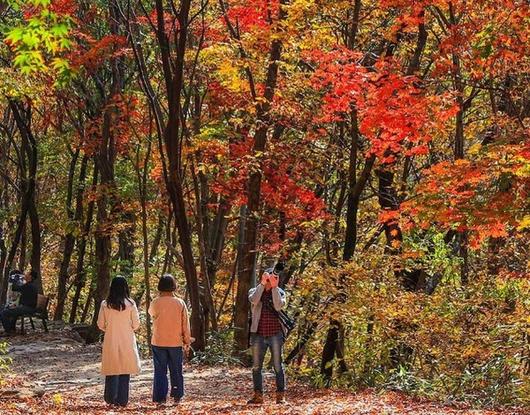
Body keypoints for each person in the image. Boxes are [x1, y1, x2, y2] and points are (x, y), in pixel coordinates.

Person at [97, 276, 141, 408]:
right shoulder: (131, 304)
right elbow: (136, 324)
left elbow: (100, 324)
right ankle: (122, 400)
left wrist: (109, 328)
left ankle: (110, 397)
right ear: (125, 288)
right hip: (127, 339)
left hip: (111, 338)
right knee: (125, 368)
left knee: (112, 367)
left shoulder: (105, 304)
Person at [247, 264, 287, 405]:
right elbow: (254, 300)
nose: (270, 281)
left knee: (277, 366)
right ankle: (258, 396)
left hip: (275, 334)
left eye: (273, 279)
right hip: (258, 334)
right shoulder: (255, 290)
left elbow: (278, 306)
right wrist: (262, 284)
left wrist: (275, 288)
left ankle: (280, 396)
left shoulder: (280, 292)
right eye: (268, 279)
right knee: (257, 366)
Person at [148, 274, 191, 404]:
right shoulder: (180, 303)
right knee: (176, 369)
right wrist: (187, 341)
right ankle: (177, 394)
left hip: (159, 341)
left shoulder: (155, 302)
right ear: (174, 286)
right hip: (175, 341)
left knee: (160, 371)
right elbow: (185, 324)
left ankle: (160, 397)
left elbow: (152, 314)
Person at [1, 269, 39, 334]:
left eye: (27, 273)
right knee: (7, 309)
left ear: (30, 277)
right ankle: (11, 328)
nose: (25, 274)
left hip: (28, 308)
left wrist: (13, 280)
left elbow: (15, 288)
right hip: (27, 307)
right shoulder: (30, 284)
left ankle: (8, 331)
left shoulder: (28, 286)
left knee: (4, 312)